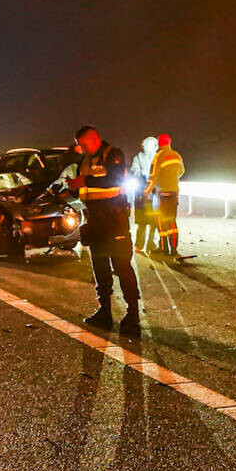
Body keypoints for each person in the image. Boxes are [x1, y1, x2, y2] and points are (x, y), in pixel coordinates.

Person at [71, 125, 140, 333]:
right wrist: (74, 187)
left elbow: (115, 179)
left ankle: (132, 314)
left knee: (122, 266)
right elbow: (85, 189)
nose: (81, 149)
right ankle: (105, 311)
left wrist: (86, 180)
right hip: (95, 220)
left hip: (114, 218)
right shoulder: (83, 161)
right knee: (99, 266)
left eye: (83, 145)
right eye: (79, 146)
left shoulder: (113, 155)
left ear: (94, 139)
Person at [145, 134, 185, 257]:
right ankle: (174, 248)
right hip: (174, 192)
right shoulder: (177, 156)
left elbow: (152, 177)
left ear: (159, 144)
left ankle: (164, 248)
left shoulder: (159, 156)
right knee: (172, 220)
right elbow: (182, 171)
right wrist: (172, 179)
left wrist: (146, 192)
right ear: (169, 142)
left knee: (161, 221)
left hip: (161, 193)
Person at [129, 135, 159, 254]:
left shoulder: (158, 157)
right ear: (144, 145)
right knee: (142, 222)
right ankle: (139, 245)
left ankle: (151, 244)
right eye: (148, 144)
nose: (150, 146)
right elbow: (134, 169)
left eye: (153, 144)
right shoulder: (139, 157)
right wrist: (142, 173)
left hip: (154, 193)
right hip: (141, 193)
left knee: (153, 221)